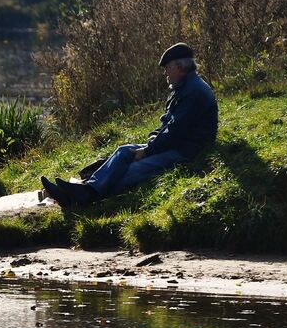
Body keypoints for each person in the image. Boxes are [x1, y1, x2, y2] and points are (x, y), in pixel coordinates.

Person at [40, 42, 217, 207]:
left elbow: (175, 132)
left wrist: (148, 150)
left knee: (133, 169)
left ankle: (83, 196)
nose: (165, 73)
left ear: (179, 67)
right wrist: (152, 140)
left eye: (167, 68)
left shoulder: (193, 91)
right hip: (175, 145)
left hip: (187, 151)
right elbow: (167, 124)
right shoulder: (184, 88)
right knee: (124, 151)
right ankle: (81, 192)